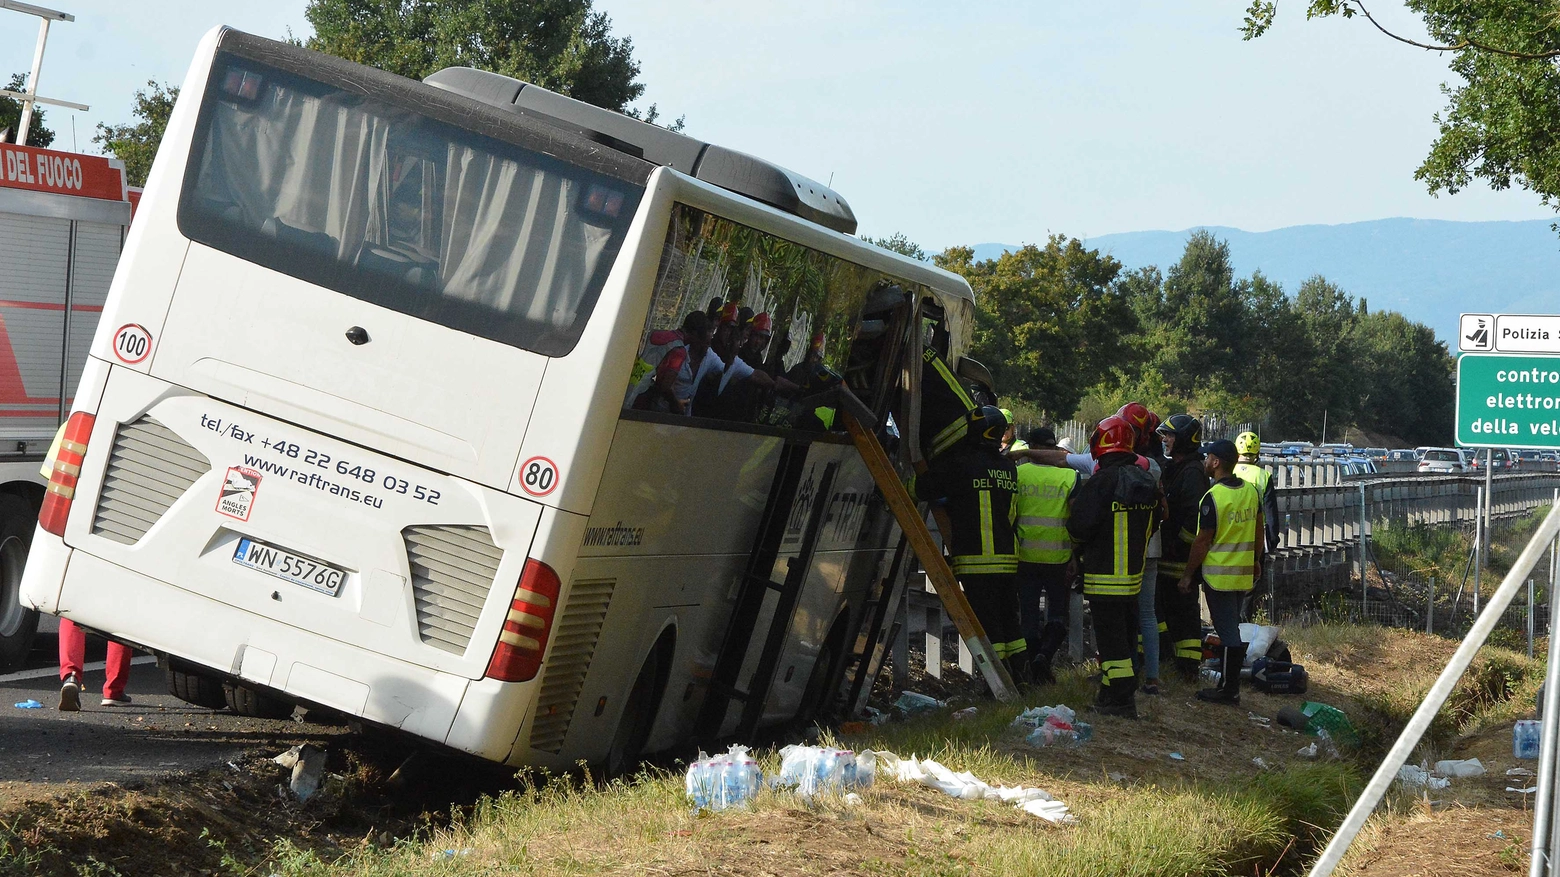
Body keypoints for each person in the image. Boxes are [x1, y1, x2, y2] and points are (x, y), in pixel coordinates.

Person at [910, 406, 1027, 680]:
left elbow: (923, 488)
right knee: (1010, 622)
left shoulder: (961, 463)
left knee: (988, 626)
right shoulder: (1008, 467)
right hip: (1008, 558)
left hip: (977, 560)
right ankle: (1022, 677)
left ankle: (996, 685)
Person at [1068, 415, 1162, 718]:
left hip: (1104, 576)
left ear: (1101, 443)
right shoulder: (1145, 479)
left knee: (1111, 646)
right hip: (1133, 577)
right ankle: (1109, 695)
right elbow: (1158, 519)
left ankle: (1121, 702)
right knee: (1123, 639)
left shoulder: (1102, 480)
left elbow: (1079, 526)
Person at [38, 431, 133, 710]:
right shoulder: (140, 420)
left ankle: (70, 675)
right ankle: (113, 689)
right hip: (122, 526)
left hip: (78, 524)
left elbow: (51, 476)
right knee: (119, 607)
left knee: (73, 605)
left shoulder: (75, 423)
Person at [1177, 439, 1265, 706]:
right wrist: (1256, 561)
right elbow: (1259, 529)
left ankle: (1228, 689)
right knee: (1232, 626)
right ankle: (1229, 686)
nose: (1204, 461)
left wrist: (1188, 574)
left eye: (1208, 457)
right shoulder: (1250, 491)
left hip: (1219, 576)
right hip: (1242, 574)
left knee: (1227, 632)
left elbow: (1202, 541)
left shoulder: (1213, 497)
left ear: (1216, 462)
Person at [1013, 426, 1078, 684]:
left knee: (1028, 614)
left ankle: (1031, 668)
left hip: (1024, 557)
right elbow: (1075, 521)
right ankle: (1044, 657)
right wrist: (1074, 557)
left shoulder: (1018, 474)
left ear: (1031, 448)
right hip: (1059, 559)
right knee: (1058, 614)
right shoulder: (1070, 478)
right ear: (1053, 449)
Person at [1155, 414, 1209, 682]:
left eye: (1170, 435)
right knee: (1164, 612)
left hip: (1179, 561)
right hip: (1168, 558)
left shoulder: (1192, 473)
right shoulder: (1176, 468)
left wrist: (1178, 546)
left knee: (1185, 617)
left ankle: (1188, 670)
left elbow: (1192, 520)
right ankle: (1169, 661)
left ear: (1184, 440)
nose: (1165, 440)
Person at [1116, 402, 1166, 694]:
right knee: (1147, 613)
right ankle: (1152, 678)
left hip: (1124, 546)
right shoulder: (1154, 467)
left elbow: (1068, 461)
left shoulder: (1109, 463)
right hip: (1151, 546)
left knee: (1120, 611)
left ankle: (1121, 672)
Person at [628, 310, 719, 415]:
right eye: (700, 337)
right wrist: (676, 404)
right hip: (642, 398)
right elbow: (665, 386)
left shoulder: (656, 334)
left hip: (630, 384)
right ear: (694, 333)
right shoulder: (679, 350)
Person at [1234, 430, 1280, 554]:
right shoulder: (1263, 476)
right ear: (1257, 453)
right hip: (1255, 535)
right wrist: (1272, 540)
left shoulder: (1228, 471)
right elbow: (1271, 512)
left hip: (1230, 532)